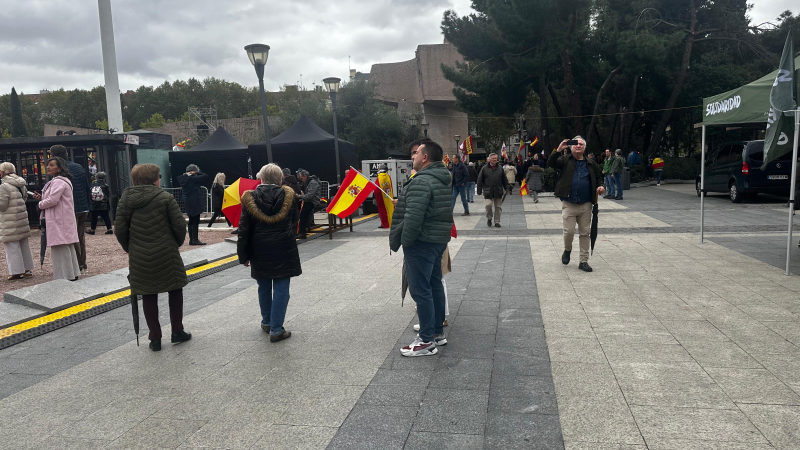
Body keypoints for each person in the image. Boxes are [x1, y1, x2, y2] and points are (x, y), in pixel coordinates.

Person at [115, 164, 191, 352]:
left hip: (139, 253)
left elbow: (120, 229)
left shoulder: (125, 199)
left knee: (148, 293)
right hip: (166, 251)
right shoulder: (165, 198)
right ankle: (177, 331)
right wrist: (176, 243)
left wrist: (130, 247)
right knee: (174, 290)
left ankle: (155, 337)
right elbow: (180, 226)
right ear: (154, 179)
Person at [389, 140, 452, 357]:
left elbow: (414, 218)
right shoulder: (441, 178)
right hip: (436, 241)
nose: (412, 158)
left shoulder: (421, 181)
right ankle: (436, 333)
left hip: (421, 242)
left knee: (420, 289)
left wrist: (406, 241)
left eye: (416, 155)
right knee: (434, 284)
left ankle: (426, 341)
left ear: (425, 158)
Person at [237, 163, 301, 343]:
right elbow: (295, 219)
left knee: (263, 287)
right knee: (281, 288)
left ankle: (266, 322)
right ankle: (276, 329)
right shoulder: (289, 196)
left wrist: (243, 254)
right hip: (283, 247)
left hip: (259, 248)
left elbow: (244, 229)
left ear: (261, 178)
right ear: (280, 178)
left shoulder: (249, 198)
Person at [548, 136, 605, 272]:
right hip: (569, 203)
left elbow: (599, 178)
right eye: (575, 144)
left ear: (584, 148)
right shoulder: (565, 160)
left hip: (586, 204)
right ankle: (567, 250)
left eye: (581, 144)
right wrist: (559, 149)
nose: (578, 146)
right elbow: (551, 163)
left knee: (585, 233)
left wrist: (601, 187)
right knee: (569, 231)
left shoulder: (591, 163)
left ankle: (583, 261)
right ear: (571, 147)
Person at [31, 157, 80, 281]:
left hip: (59, 219)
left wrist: (40, 204)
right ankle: (72, 273)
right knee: (67, 247)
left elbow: (53, 200)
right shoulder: (63, 181)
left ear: (59, 168)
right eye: (48, 165)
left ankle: (64, 276)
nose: (48, 167)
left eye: (52, 165)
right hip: (63, 217)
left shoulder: (58, 182)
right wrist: (42, 199)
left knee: (60, 248)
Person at [48, 145, 90, 274]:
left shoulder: (59, 172)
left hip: (70, 209)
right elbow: (86, 186)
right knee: (80, 237)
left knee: (71, 238)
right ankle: (82, 263)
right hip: (83, 206)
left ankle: (76, 265)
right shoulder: (78, 167)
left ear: (53, 156)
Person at [0, 162, 33, 280]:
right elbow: (24, 198)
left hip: (9, 218)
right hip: (21, 217)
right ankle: (26, 269)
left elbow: (2, 206)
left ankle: (16, 271)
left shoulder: (4, 186)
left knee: (11, 245)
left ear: (3, 172)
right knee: (23, 244)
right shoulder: (20, 184)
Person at [177, 164, 209, 245]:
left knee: (191, 220)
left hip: (188, 202)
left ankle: (192, 239)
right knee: (195, 220)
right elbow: (205, 176)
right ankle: (194, 239)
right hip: (195, 201)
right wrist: (197, 173)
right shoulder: (192, 178)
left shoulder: (184, 178)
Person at [476, 153, 509, 227]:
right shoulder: (484, 168)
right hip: (488, 191)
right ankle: (489, 218)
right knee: (488, 205)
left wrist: (506, 188)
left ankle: (497, 221)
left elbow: (504, 179)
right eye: (493, 158)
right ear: (489, 159)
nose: (494, 160)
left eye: (495, 158)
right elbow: (479, 179)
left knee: (498, 207)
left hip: (498, 190)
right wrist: (479, 190)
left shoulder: (500, 168)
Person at [296, 169, 322, 239]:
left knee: (303, 214)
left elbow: (310, 196)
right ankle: (301, 229)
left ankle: (302, 232)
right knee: (300, 210)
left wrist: (299, 196)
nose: (301, 179)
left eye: (301, 178)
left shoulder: (312, 182)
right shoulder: (308, 182)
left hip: (313, 201)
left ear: (305, 176)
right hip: (309, 200)